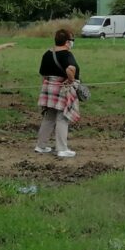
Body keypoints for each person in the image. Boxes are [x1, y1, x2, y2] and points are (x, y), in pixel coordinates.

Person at [35, 28, 80, 158]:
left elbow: (42, 72)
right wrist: (70, 80)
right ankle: (62, 148)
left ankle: (41, 146)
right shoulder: (67, 54)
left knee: (49, 117)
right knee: (62, 117)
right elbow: (71, 69)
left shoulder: (47, 53)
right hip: (61, 87)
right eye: (72, 40)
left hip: (48, 87)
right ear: (67, 42)